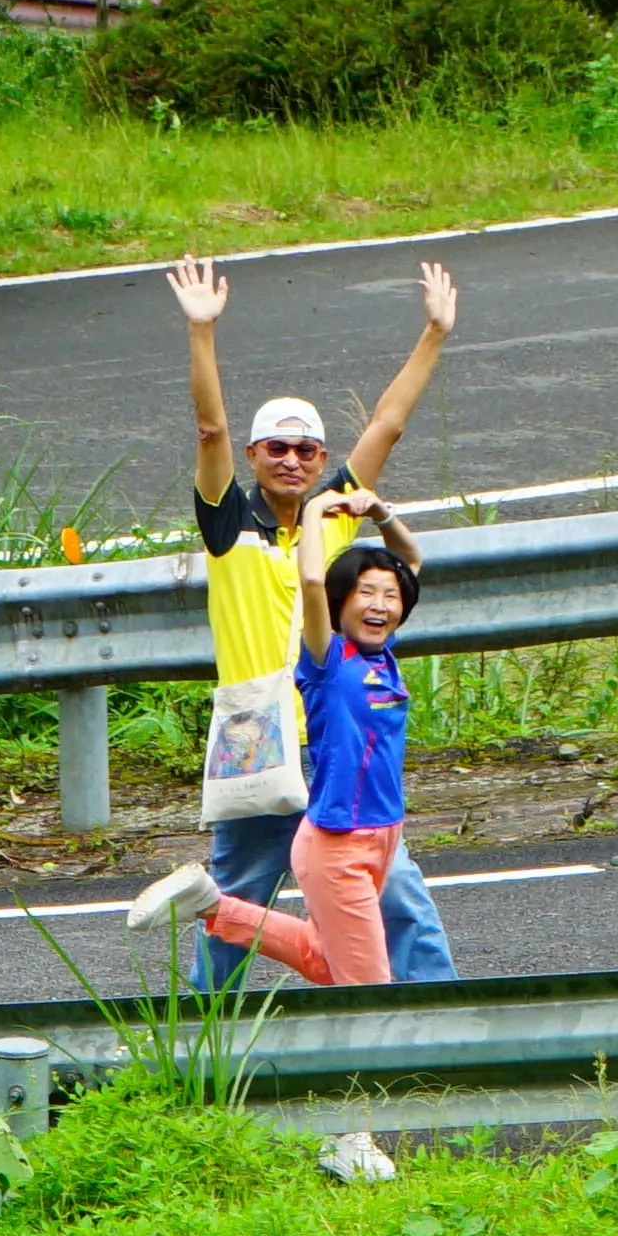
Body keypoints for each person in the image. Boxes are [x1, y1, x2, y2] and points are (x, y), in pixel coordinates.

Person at [167, 252, 461, 985]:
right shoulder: (227, 523)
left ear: (323, 457)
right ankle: (202, 1041)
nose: (292, 461)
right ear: (255, 457)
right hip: (257, 734)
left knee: (393, 887)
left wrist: (434, 332)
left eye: (306, 450)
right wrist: (202, 332)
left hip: (333, 732)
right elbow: (208, 429)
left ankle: (448, 1017)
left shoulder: (335, 516)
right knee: (238, 895)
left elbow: (388, 424)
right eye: (276, 449)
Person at [133, 501, 422, 986]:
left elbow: (410, 562)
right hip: (340, 842)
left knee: (327, 961)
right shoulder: (327, 658)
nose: (379, 604)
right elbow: (311, 581)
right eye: (365, 593)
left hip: (383, 836)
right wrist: (321, 509)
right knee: (368, 988)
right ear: (338, 603)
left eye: (389, 597)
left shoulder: (383, 654)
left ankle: (212, 904)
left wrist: (380, 512)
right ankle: (381, 1062)